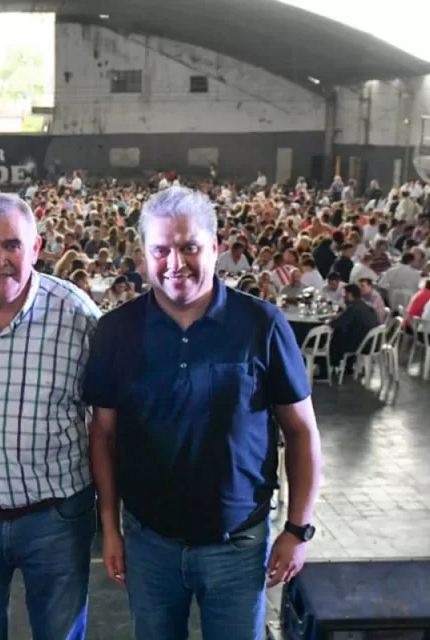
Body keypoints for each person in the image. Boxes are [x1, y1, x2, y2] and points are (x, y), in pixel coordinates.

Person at [84, 187, 321, 639]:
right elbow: (104, 436)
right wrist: (110, 528)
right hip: (149, 543)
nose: (176, 264)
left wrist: (297, 529)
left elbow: (302, 431)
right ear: (144, 255)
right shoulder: (116, 331)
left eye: (189, 247)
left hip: (239, 545)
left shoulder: (262, 325)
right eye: (161, 250)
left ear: (215, 247)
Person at [0, 193, 101, 640]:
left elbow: (110, 416)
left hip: (55, 520)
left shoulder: (77, 315)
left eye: (12, 245)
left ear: (36, 247)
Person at [328, 284, 382, 372]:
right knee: (349, 333)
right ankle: (348, 367)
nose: (343, 297)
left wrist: (329, 321)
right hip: (374, 343)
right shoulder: (367, 306)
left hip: (363, 345)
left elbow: (336, 324)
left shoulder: (353, 308)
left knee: (337, 336)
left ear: (350, 294)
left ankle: (328, 367)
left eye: (345, 294)